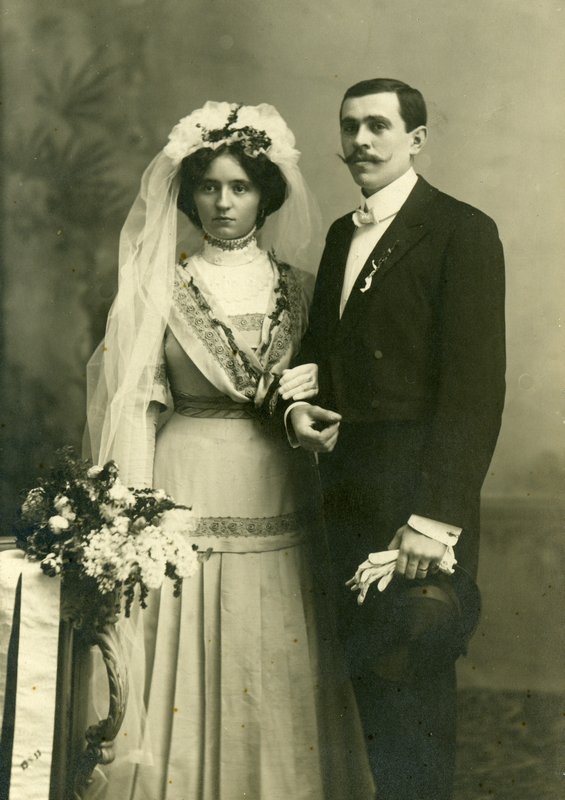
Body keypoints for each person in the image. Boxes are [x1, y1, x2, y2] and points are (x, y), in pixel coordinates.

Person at [84, 102, 374, 800]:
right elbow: (136, 403)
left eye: (239, 187)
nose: (222, 202)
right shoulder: (161, 286)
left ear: (264, 195)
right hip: (186, 480)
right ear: (190, 196)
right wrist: (134, 512)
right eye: (209, 187)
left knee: (274, 631)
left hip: (279, 479)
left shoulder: (300, 289)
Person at [285, 78, 506, 800]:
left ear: (415, 139)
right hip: (347, 494)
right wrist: (298, 410)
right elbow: (320, 351)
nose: (360, 141)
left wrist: (433, 517)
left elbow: (475, 389)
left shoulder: (460, 230)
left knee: (413, 686)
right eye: (349, 126)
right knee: (371, 694)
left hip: (415, 499)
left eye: (378, 126)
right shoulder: (341, 234)